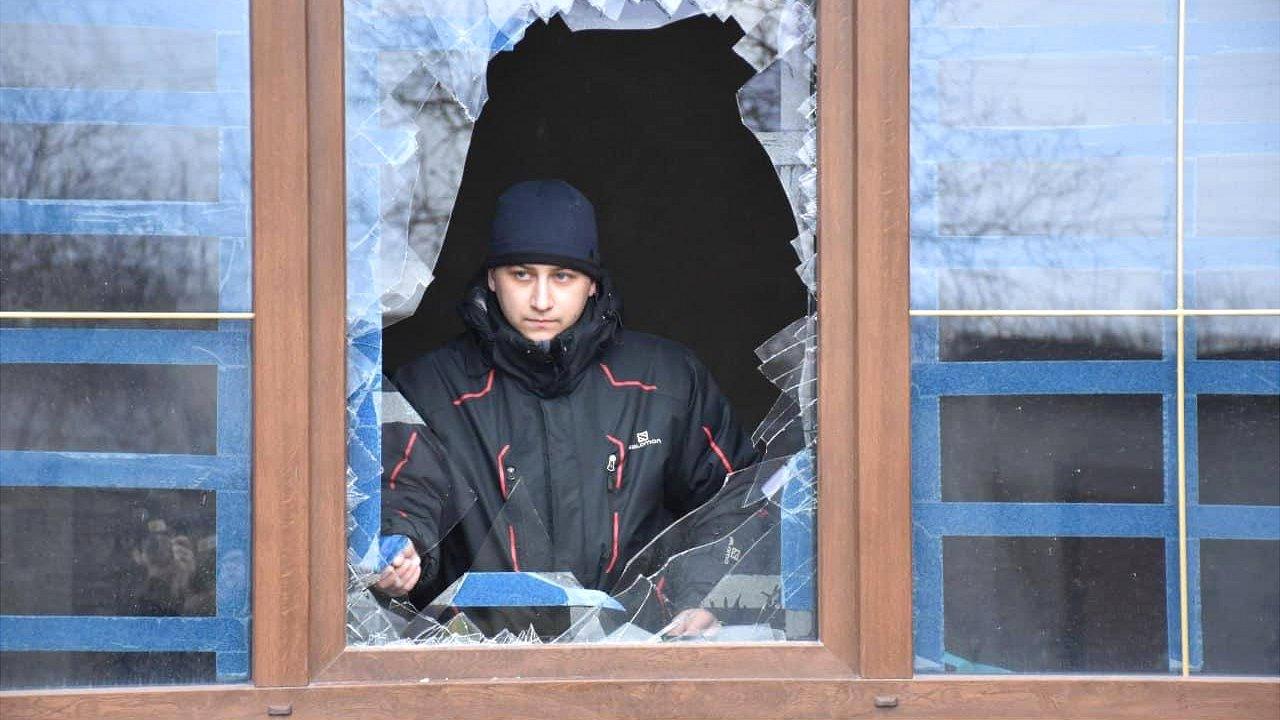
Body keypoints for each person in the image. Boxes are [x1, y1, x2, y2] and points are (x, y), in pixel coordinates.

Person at [374, 179, 759, 638]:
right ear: (493, 279)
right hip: (476, 667)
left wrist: (702, 595)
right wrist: (402, 547)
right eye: (521, 274)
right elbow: (403, 493)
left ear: (592, 283)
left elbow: (735, 497)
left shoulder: (665, 379)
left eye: (562, 276)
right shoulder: (430, 387)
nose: (541, 299)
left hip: (641, 652)